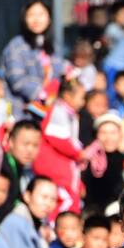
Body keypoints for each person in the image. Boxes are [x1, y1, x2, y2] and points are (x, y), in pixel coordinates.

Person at [0, 0, 68, 120]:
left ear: (49, 18)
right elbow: (17, 81)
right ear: (24, 19)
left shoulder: (53, 46)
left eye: (41, 14)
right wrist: (41, 93)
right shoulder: (16, 46)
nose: (36, 19)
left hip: (48, 113)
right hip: (21, 113)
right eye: (31, 15)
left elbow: (58, 73)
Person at [34, 79, 87, 216]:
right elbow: (59, 138)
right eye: (81, 97)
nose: (83, 102)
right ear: (68, 96)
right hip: (54, 171)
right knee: (62, 205)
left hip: (65, 173)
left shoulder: (70, 114)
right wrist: (79, 153)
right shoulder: (58, 111)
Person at [82, 113, 124, 216]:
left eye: (113, 133)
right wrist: (120, 152)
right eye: (103, 132)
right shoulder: (91, 159)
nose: (108, 138)